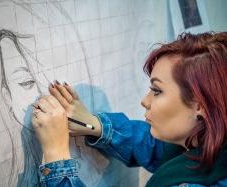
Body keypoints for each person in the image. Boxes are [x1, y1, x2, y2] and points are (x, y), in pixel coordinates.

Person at [32, 32, 227, 187]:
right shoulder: (206, 143)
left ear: (199, 105)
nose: (144, 101)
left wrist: (56, 155)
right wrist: (95, 125)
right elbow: (155, 147)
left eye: (156, 91)